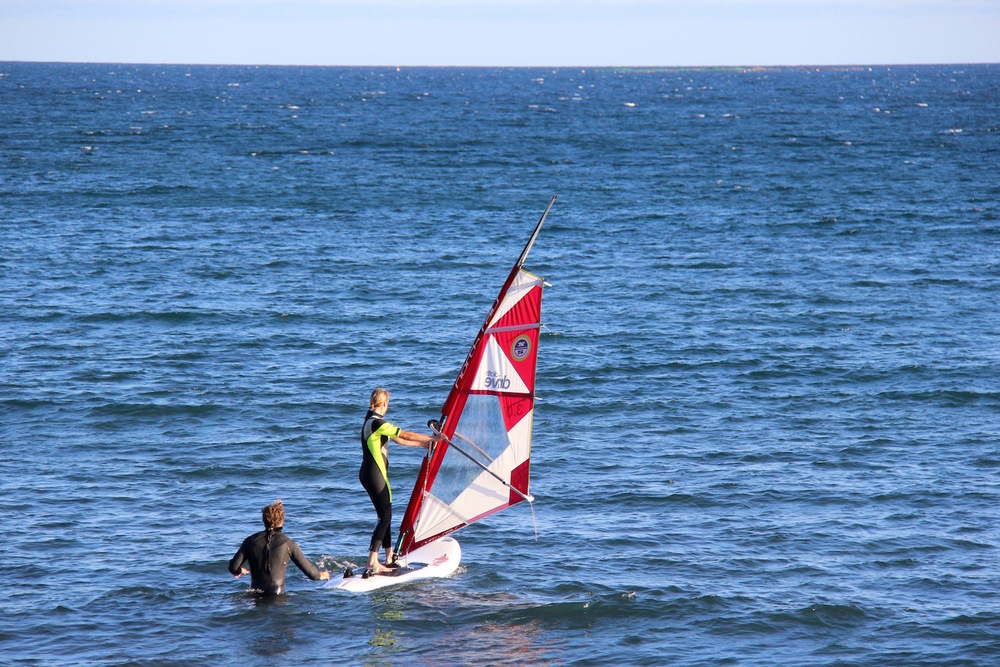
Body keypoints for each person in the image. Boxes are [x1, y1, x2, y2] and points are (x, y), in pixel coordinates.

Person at [360, 387, 439, 575]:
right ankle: (372, 562)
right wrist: (433, 437)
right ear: (384, 404)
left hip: (369, 474)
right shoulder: (377, 423)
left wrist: (426, 445)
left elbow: (401, 441)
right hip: (375, 475)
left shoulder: (369, 421)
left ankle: (388, 556)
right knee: (385, 517)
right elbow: (405, 434)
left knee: (384, 516)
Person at [229, 499, 330, 594]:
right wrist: (322, 575)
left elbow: (233, 567)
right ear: (282, 520)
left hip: (256, 597)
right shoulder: (288, 543)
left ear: (263, 520)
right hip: (278, 598)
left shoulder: (250, 541)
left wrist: (240, 570)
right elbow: (312, 574)